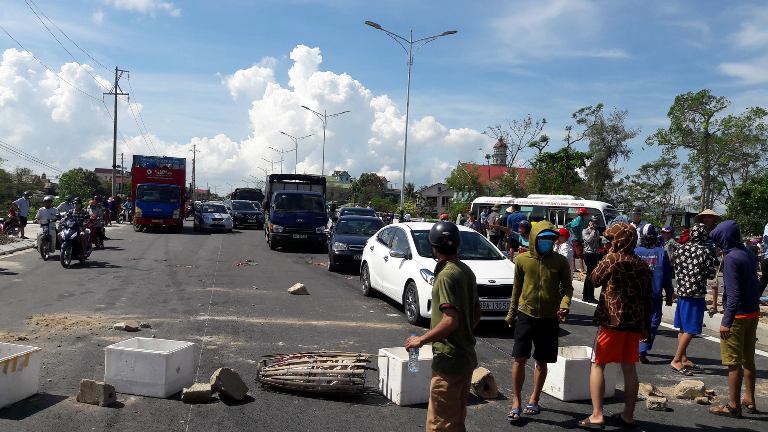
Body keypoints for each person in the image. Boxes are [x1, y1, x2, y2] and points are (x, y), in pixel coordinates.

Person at [405, 221, 480, 431]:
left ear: (434, 247)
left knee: (439, 423)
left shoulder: (446, 275)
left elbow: (450, 320)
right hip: (465, 357)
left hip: (448, 361)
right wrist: (464, 333)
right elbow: (476, 313)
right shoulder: (465, 271)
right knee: (455, 420)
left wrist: (421, 339)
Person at [579, 222, 652, 429]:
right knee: (629, 368)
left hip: (612, 321)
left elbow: (593, 280)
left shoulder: (612, 259)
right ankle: (628, 415)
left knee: (598, 364)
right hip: (635, 323)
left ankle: (597, 415)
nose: (609, 242)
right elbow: (648, 299)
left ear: (619, 240)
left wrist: (606, 256)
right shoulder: (642, 264)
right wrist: (646, 326)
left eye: (611, 239)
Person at [505, 221, 573, 423]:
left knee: (541, 361)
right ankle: (516, 401)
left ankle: (534, 399)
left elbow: (568, 287)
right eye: (543, 239)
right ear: (534, 238)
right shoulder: (522, 260)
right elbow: (516, 288)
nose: (547, 243)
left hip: (549, 318)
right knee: (519, 358)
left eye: (550, 240)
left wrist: (565, 304)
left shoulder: (559, 262)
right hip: (526, 314)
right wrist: (511, 313)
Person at [708, 220, 761, 418]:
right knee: (749, 359)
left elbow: (733, 293)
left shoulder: (731, 259)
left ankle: (733, 405)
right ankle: (750, 399)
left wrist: (726, 322)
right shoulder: (747, 251)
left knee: (733, 362)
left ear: (724, 238)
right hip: (752, 313)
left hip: (737, 316)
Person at [671, 223, 718, 375]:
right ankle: (677, 360)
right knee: (691, 329)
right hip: (695, 294)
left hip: (682, 292)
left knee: (683, 328)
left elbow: (675, 267)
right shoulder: (705, 251)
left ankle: (683, 358)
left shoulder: (681, 248)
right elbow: (711, 274)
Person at [634, 224, 674, 364]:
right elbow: (667, 278)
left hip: (636, 294)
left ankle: (635, 348)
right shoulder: (661, 253)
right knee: (653, 322)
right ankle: (642, 349)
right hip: (654, 294)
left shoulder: (635, 251)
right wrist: (669, 295)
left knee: (636, 321)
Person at [582, 216, 601, 303]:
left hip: (594, 254)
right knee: (591, 274)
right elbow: (588, 240)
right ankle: (589, 297)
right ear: (589, 222)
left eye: (596, 222)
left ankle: (586, 296)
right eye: (593, 222)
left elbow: (597, 243)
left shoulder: (597, 231)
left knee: (590, 275)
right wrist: (593, 231)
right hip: (588, 254)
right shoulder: (585, 231)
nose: (595, 224)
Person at [568, 207, 589, 272]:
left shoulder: (577, 219)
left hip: (574, 239)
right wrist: (577, 235)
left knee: (574, 254)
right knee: (580, 254)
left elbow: (568, 225)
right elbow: (573, 227)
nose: (586, 216)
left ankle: (574, 268)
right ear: (583, 214)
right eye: (586, 215)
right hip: (577, 239)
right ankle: (582, 269)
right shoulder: (579, 220)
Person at [759, 222, 768, 296]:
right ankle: (755, 297)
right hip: (766, 257)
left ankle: (755, 297)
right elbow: (766, 238)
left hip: (765, 257)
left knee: (764, 279)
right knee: (764, 279)